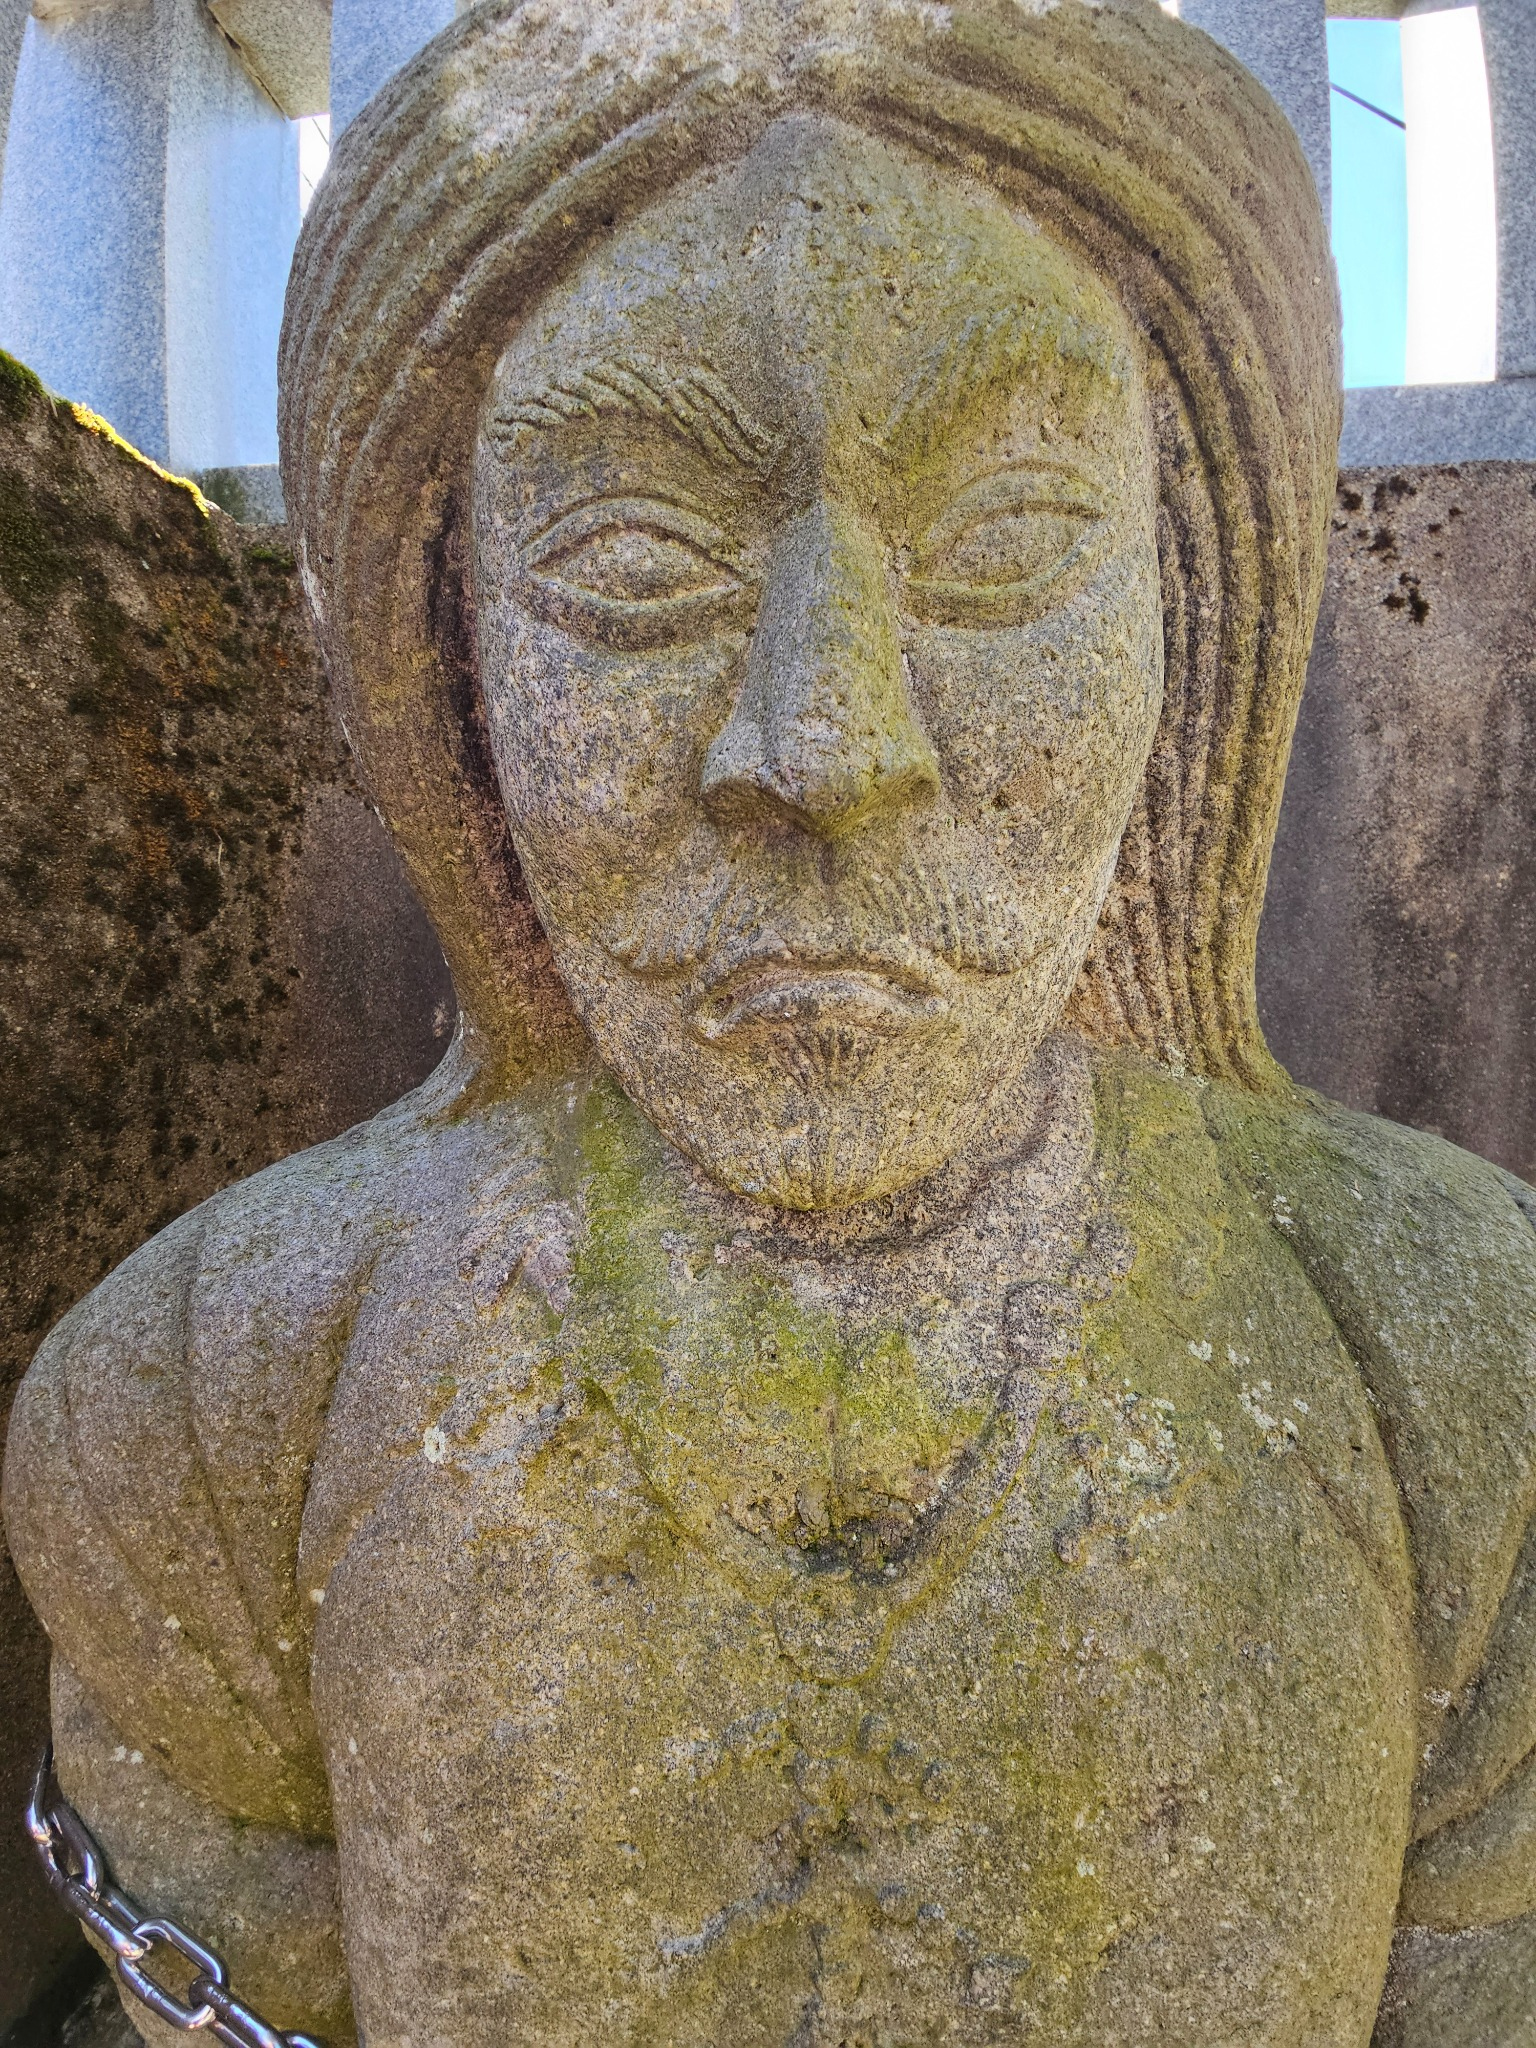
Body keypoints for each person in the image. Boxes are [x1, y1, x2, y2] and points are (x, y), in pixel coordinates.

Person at [7, 0, 1535, 2040]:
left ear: (1190, 604)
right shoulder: (198, 1413)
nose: (824, 742)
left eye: (1005, 546)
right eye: (631, 563)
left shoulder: (1453, 1366)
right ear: (442, 641)